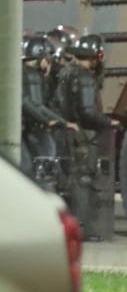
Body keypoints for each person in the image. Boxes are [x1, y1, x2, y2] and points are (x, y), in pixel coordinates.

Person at [55, 35, 116, 241]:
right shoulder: (84, 78)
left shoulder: (64, 73)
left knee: (65, 181)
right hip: (82, 135)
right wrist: (108, 122)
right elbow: (88, 111)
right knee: (84, 179)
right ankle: (80, 229)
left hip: (63, 131)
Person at [21, 35, 71, 183]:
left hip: (22, 129)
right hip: (31, 128)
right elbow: (34, 105)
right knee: (47, 158)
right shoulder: (32, 76)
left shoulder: (17, 71)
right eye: (48, 59)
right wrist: (52, 121)